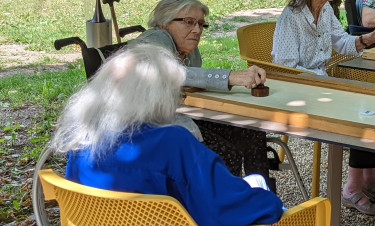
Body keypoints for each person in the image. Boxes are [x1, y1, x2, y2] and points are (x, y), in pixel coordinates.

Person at [50, 45, 285, 226]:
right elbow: (232, 209)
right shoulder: (173, 142)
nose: (179, 98)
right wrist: (273, 202)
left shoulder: (81, 140)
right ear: (157, 96)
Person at [271, 0, 375, 216]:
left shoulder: (325, 9)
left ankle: (368, 177)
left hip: (321, 85)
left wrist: (369, 38)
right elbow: (286, 69)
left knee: (372, 106)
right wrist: (325, 83)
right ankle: (351, 188)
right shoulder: (291, 17)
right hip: (297, 90)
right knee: (356, 114)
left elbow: (342, 43)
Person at [130, 0, 273, 185]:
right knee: (225, 153)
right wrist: (230, 77)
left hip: (180, 116)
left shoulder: (189, 52)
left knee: (252, 130)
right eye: (189, 22)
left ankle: (262, 198)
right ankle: (221, 208)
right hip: (146, 127)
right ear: (164, 23)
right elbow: (168, 72)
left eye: (201, 24)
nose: (197, 30)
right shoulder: (155, 37)